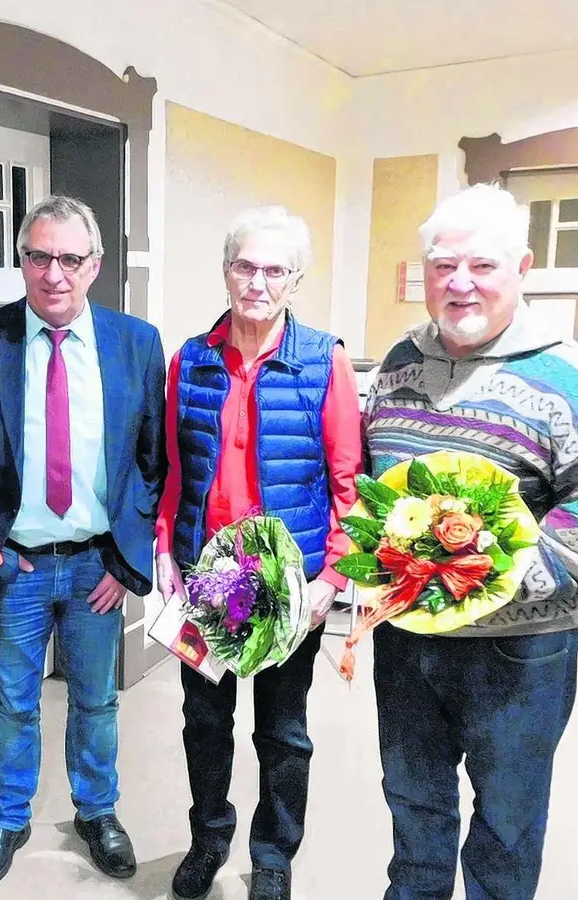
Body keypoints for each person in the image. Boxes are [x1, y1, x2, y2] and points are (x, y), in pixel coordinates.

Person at [362, 183, 578, 900]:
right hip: (406, 642)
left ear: (521, 267)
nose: (459, 284)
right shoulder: (397, 361)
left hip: (519, 650)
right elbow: (369, 481)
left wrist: (505, 575)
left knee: (507, 827)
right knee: (413, 810)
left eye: (481, 266)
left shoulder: (566, 374)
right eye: (442, 265)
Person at [153, 205, 364, 900]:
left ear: (296, 281)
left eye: (275, 270)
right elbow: (174, 469)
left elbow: (347, 484)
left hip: (290, 585)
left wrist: (330, 578)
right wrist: (166, 549)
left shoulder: (324, 359)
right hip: (206, 581)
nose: (258, 282)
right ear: (225, 271)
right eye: (245, 266)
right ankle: (208, 835)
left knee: (283, 732)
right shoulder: (191, 359)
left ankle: (273, 856)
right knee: (204, 722)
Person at [0, 196, 167, 888]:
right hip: (12, 563)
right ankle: (8, 816)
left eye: (70, 259)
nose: (54, 273)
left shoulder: (136, 343)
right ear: (22, 260)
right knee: (13, 700)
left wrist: (127, 562)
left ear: (95, 266)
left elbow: (151, 461)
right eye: (39, 256)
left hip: (95, 567)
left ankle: (97, 811)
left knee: (96, 701)